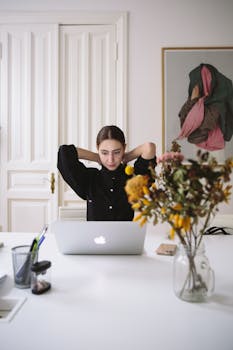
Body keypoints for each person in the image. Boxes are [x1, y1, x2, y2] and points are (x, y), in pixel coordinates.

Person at [57, 125, 156, 221]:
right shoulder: (90, 179)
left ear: (124, 148)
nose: (110, 159)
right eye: (105, 152)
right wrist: (96, 157)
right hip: (94, 238)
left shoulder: (133, 179)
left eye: (117, 152)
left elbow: (149, 147)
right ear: (97, 148)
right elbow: (64, 152)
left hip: (125, 238)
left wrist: (127, 156)